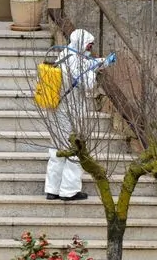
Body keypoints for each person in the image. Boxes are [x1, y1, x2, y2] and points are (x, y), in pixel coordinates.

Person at [44, 29, 116, 201]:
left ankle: (52, 189)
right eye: (89, 45)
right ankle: (69, 190)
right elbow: (88, 83)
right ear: (83, 44)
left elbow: (87, 63)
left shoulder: (65, 54)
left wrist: (102, 62)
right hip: (71, 109)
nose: (90, 49)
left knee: (57, 148)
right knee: (75, 148)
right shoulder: (76, 61)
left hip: (57, 108)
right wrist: (94, 71)